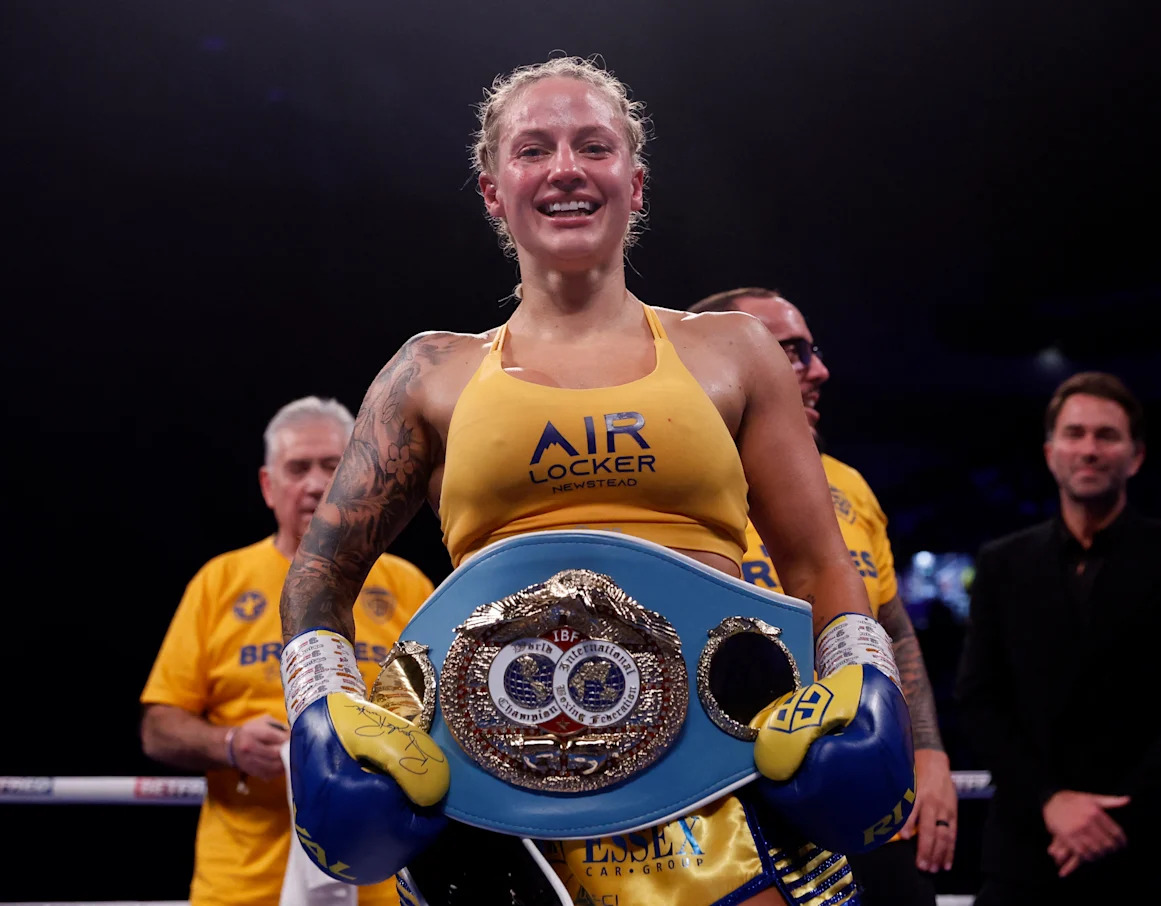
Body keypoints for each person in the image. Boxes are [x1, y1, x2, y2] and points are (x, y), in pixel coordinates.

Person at [277, 56, 914, 906]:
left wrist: (863, 681)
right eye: (534, 149)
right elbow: (320, 575)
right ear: (493, 191)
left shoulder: (734, 353)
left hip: (720, 762)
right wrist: (322, 713)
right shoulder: (428, 372)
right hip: (492, 792)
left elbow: (819, 565)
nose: (566, 168)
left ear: (635, 182)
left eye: (594, 146)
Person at [687, 287, 957, 904]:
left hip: (862, 790)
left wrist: (928, 752)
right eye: (791, 352)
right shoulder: (665, 489)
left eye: (812, 350)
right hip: (727, 810)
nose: (819, 371)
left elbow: (892, 627)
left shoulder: (849, 485)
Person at [140, 396, 436, 906]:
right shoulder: (220, 583)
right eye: (298, 468)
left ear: (361, 480)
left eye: (335, 467)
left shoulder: (406, 585)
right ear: (268, 485)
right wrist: (230, 745)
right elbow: (159, 727)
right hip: (242, 887)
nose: (317, 484)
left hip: (385, 884)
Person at [955, 371, 1161, 904]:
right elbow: (978, 699)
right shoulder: (1002, 563)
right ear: (1050, 452)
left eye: (1106, 435)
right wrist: (1050, 800)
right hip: (1025, 847)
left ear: (1135, 456)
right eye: (1075, 433)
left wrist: (1119, 815)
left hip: (1154, 849)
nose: (1089, 449)